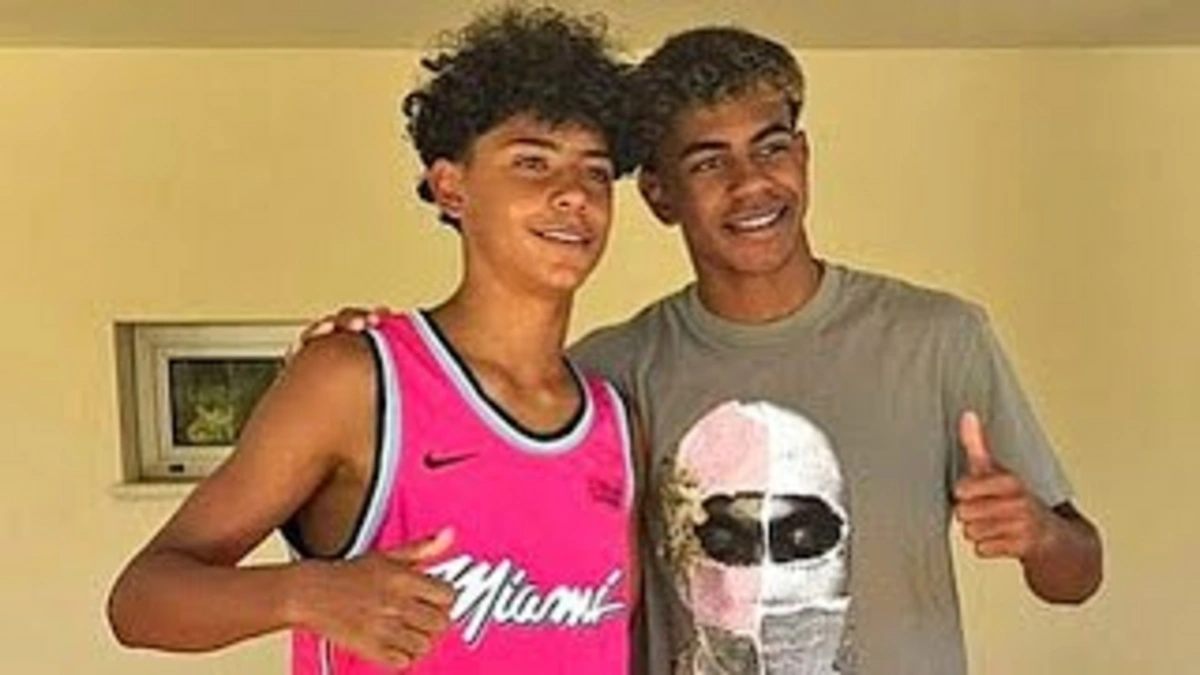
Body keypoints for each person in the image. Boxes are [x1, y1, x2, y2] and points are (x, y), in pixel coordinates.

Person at [304, 24, 1104, 675]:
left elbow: (1079, 573)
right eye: (710, 161)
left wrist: (1039, 532)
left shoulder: (938, 338)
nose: (752, 183)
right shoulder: (608, 376)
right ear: (659, 193)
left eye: (771, 147)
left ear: (803, 155)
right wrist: (365, 356)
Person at [107, 7, 640, 675]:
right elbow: (139, 601)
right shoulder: (356, 377)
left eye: (595, 172)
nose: (573, 195)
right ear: (451, 188)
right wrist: (302, 593)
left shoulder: (614, 419)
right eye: (532, 162)